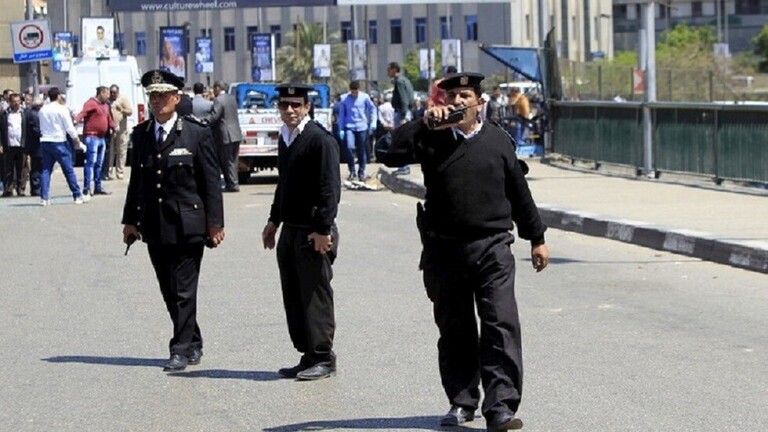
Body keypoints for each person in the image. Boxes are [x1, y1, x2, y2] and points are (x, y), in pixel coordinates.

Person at [376, 72, 550, 431]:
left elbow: (519, 191)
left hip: (493, 247)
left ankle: (500, 407)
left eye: (465, 96)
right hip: (445, 249)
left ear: (479, 103)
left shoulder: (498, 141)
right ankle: (462, 401)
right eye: (451, 96)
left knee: (500, 324)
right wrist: (423, 122)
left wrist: (536, 237)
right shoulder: (431, 137)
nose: (457, 102)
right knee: (455, 328)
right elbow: (386, 151)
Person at [121, 69, 224, 372]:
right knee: (168, 288)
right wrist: (130, 220)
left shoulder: (196, 132)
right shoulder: (142, 134)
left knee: (184, 289)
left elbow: (210, 182)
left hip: (188, 224)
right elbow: (137, 182)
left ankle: (179, 348)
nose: (157, 101)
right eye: (153, 96)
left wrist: (215, 223)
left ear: (176, 98)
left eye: (163, 95)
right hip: (154, 224)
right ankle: (193, 340)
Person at [261, 83, 341, 381]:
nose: (290, 110)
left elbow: (330, 188)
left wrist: (322, 229)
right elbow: (284, 183)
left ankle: (323, 357)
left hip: (313, 231)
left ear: (307, 107)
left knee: (315, 296)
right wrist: (274, 221)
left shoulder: (320, 140)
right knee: (294, 295)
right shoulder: (286, 137)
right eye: (284, 105)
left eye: (296, 105)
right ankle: (308, 355)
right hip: (291, 230)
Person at [38, 87, 89, 206]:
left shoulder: (43, 110)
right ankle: (77, 195)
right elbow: (69, 128)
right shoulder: (62, 109)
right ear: (58, 96)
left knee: (46, 170)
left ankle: (44, 198)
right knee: (68, 170)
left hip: (46, 141)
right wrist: (78, 142)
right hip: (59, 141)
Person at [75, 86, 117, 196]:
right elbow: (83, 113)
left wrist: (114, 127)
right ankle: (87, 187)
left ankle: (98, 187)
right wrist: (75, 121)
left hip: (102, 138)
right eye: (107, 94)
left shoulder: (106, 105)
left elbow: (109, 119)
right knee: (90, 162)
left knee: (99, 164)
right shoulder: (91, 103)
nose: (108, 96)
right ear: (101, 93)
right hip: (91, 137)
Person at [203, 80, 243, 192]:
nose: (213, 91)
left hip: (226, 134)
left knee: (227, 161)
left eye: (214, 88)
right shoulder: (231, 98)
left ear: (217, 88)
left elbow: (215, 116)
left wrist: (203, 122)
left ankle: (232, 184)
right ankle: (234, 182)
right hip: (236, 133)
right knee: (234, 160)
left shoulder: (219, 100)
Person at [338, 80, 377, 181]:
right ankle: (352, 170)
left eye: (356, 91)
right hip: (349, 126)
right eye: (352, 91)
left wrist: (373, 122)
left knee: (361, 149)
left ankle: (361, 171)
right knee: (349, 147)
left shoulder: (365, 97)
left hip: (362, 126)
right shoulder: (344, 98)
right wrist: (341, 128)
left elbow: (372, 109)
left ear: (359, 89)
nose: (354, 93)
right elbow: (341, 114)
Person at [386, 61, 414, 175]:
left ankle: (404, 166)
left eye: (389, 69)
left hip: (402, 113)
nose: (387, 72)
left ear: (394, 69)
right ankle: (403, 165)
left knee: (401, 140)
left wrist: (403, 116)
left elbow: (404, 99)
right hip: (403, 112)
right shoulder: (404, 80)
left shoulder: (400, 81)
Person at [1, 93, 30, 197]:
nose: (17, 103)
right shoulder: (4, 114)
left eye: (18, 101)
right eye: (14, 101)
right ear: (10, 102)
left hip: (21, 145)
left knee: (22, 168)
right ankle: (8, 189)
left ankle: (21, 189)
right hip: (8, 145)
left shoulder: (24, 113)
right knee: (7, 168)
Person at [107, 84, 133, 180]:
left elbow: (130, 112)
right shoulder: (107, 101)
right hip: (110, 130)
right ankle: (109, 172)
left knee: (121, 150)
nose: (112, 94)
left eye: (114, 92)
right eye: (111, 92)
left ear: (118, 92)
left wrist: (121, 109)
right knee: (110, 151)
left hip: (121, 130)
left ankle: (120, 171)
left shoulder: (123, 99)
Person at [26, 95, 43, 196]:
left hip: (33, 145)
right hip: (37, 145)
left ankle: (36, 188)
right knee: (37, 167)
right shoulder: (35, 115)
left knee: (35, 167)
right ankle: (36, 188)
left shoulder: (30, 113)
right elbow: (36, 130)